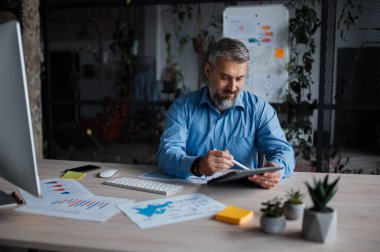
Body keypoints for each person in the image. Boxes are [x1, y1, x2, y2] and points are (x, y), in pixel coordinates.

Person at [156, 37, 295, 189]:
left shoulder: (259, 109)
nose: (233, 87)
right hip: (191, 193)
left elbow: (283, 151)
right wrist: (197, 165)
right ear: (208, 71)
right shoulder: (182, 107)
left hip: (243, 194)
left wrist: (276, 170)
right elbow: (166, 155)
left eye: (240, 78)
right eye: (225, 78)